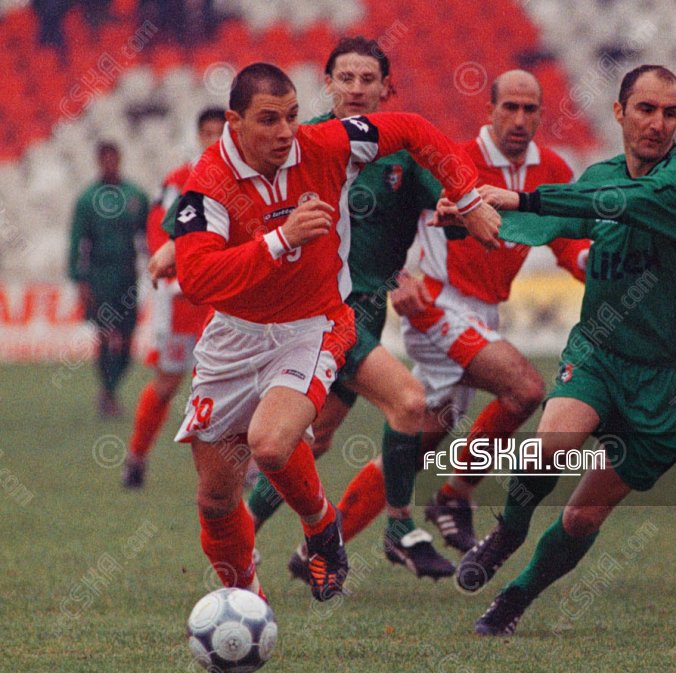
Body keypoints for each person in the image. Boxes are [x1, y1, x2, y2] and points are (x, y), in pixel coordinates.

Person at [172, 62, 499, 604]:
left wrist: (467, 199)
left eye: (292, 116)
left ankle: (323, 528)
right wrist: (281, 240)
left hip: (313, 325)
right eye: (269, 120)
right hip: (233, 337)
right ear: (234, 122)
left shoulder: (326, 144)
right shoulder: (209, 181)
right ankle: (246, 598)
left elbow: (413, 129)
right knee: (215, 499)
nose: (285, 132)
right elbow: (197, 278)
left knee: (270, 444)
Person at [445, 65, 676, 636]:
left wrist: (519, 195)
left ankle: (516, 598)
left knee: (581, 515)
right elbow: (552, 220)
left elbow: (624, 200)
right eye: (645, 109)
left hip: (671, 383)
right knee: (548, 447)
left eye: (670, 112)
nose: (658, 123)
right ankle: (509, 530)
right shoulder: (599, 176)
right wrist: (468, 218)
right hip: (601, 353)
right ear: (619, 112)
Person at [244, 37, 459, 580]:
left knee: (309, 440)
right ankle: (400, 526)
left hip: (368, 311)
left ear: (387, 88)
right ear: (328, 83)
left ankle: (240, 531)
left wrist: (461, 211)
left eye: (368, 79)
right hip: (321, 313)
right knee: (410, 402)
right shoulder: (302, 143)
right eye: (346, 78)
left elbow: (448, 204)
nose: (357, 88)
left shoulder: (404, 155)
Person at [397, 69, 590, 554]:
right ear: (490, 110)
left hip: (485, 314)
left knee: (419, 436)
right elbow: (394, 217)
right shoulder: (455, 159)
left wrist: (598, 265)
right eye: (510, 107)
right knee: (525, 390)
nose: (520, 119)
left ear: (541, 114)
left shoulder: (554, 170)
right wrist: (396, 275)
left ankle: (325, 540)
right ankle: (453, 496)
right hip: (437, 303)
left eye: (530, 109)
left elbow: (567, 242)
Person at [121, 107, 226, 489]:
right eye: (208, 133)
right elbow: (158, 232)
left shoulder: (242, 177)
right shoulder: (180, 180)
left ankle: (244, 468)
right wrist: (175, 271)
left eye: (221, 133)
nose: (214, 140)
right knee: (167, 382)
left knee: (232, 382)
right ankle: (136, 457)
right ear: (199, 136)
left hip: (224, 298)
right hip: (183, 300)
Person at [68, 142, 149, 418]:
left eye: (114, 159)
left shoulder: (135, 195)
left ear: (120, 160)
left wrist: (158, 263)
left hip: (128, 276)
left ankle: (109, 389)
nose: (110, 164)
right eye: (105, 160)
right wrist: (80, 280)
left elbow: (148, 235)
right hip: (99, 277)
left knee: (127, 339)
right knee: (104, 335)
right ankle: (108, 392)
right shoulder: (87, 199)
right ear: (98, 162)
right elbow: (77, 241)